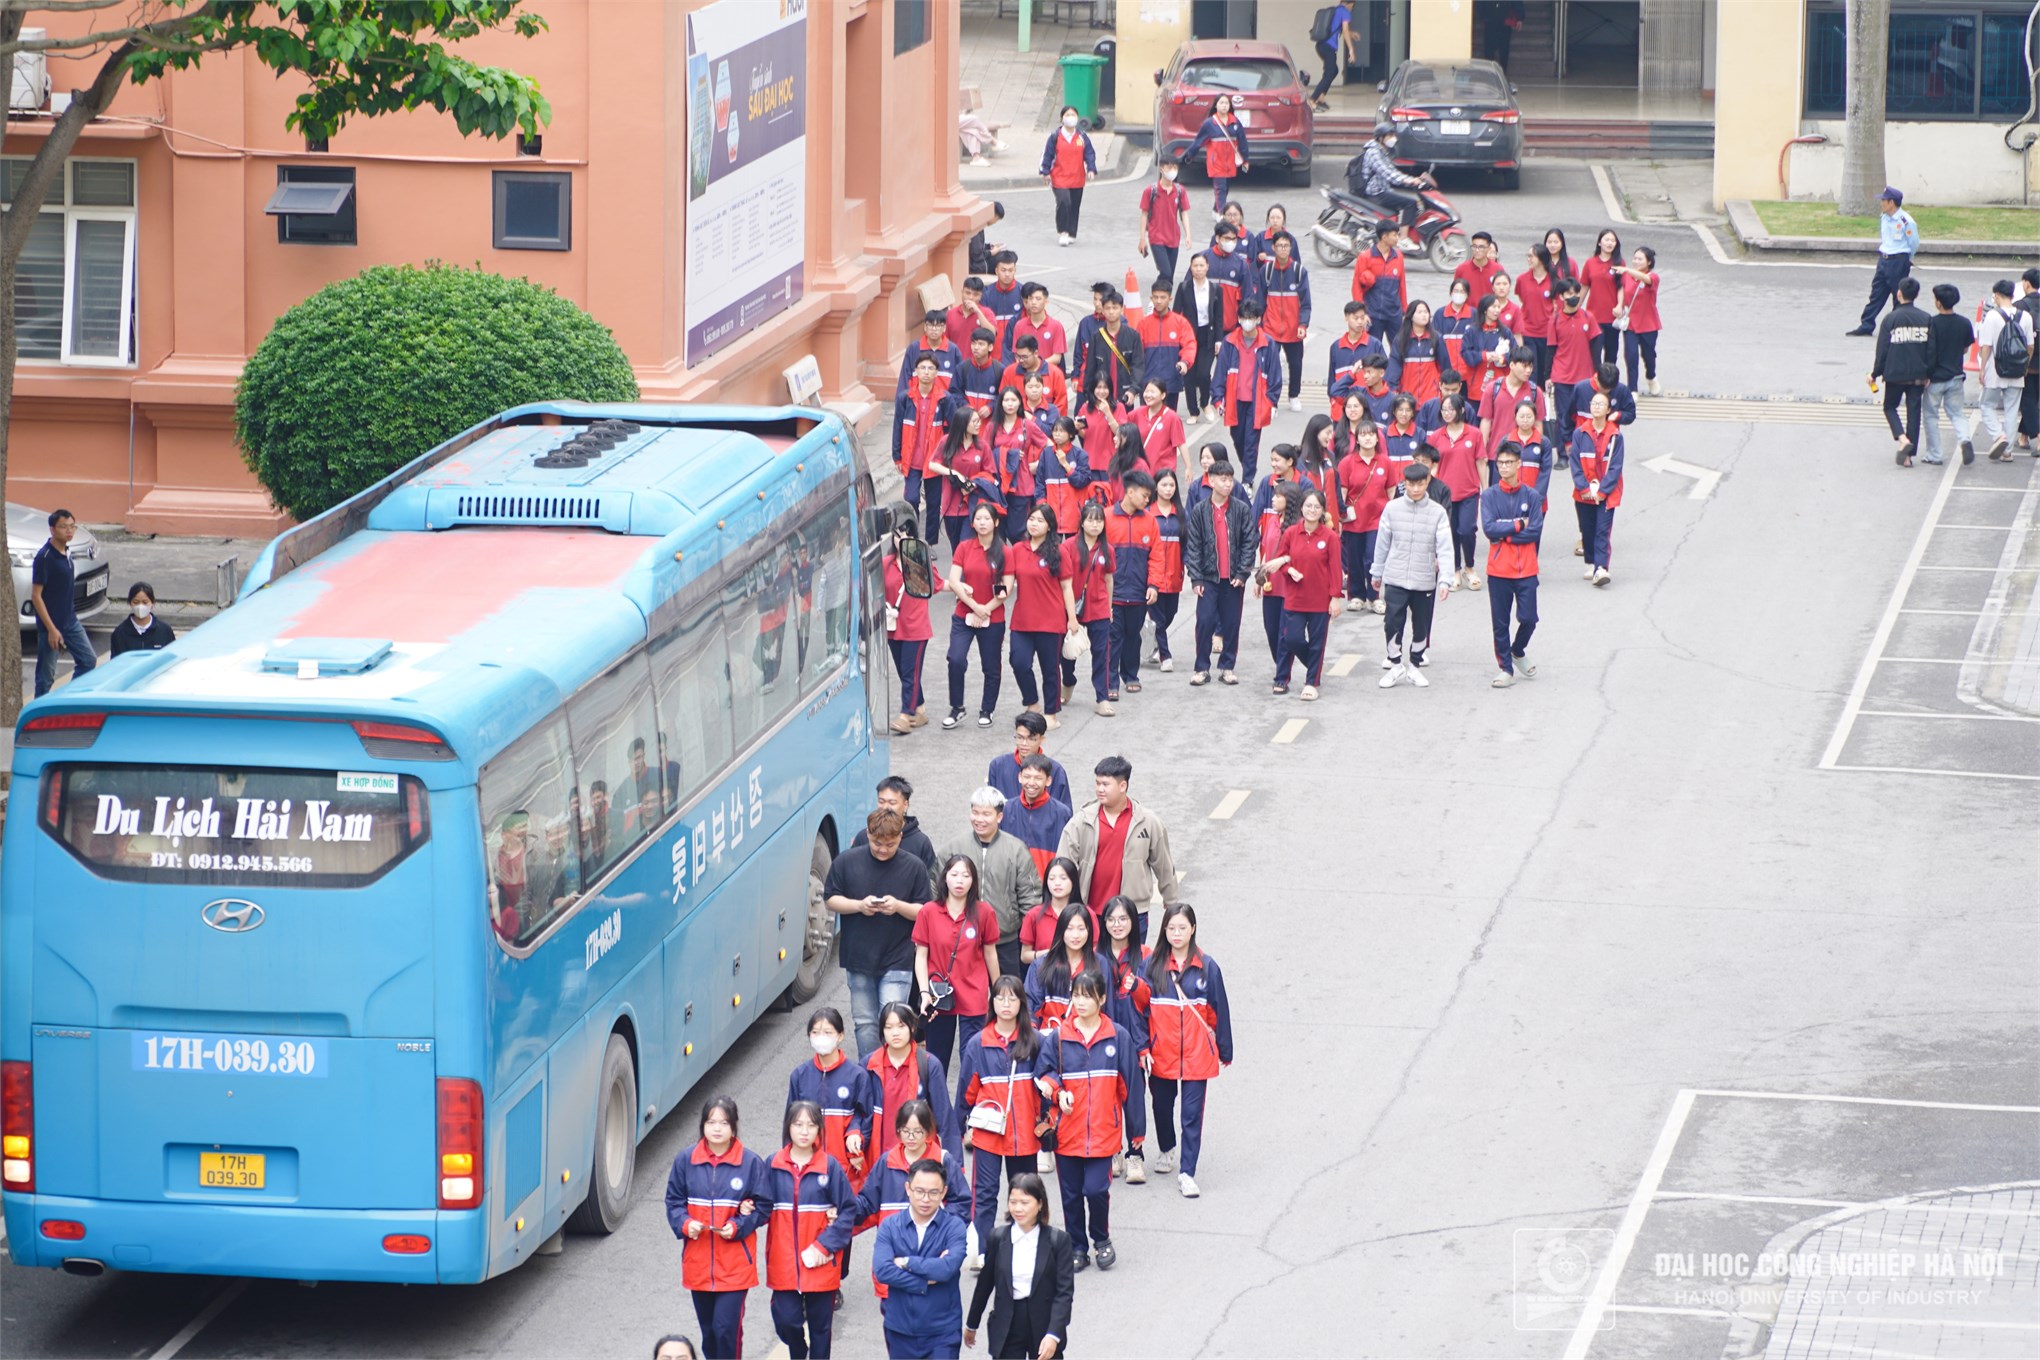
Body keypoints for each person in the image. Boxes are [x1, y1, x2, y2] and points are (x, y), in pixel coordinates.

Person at [1033, 971, 1132, 1270]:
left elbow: (1130, 1087)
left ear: (1102, 999)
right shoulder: (1059, 1037)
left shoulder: (1118, 1036)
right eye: (1076, 995)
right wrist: (1058, 1092)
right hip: (1068, 1131)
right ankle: (1077, 1247)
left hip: (1104, 1131)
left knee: (1096, 1190)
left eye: (1088, 996)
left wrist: (1136, 1135)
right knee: (1071, 1195)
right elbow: (1043, 1073)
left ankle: (1101, 1239)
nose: (1081, 1002)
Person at [665, 1096, 771, 1360]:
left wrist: (738, 1225)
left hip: (735, 1266)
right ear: (703, 1125)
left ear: (733, 1127)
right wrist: (686, 1224)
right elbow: (674, 1202)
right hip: (698, 1263)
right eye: (711, 1122)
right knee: (710, 1334)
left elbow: (764, 1206)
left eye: (724, 1123)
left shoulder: (750, 1163)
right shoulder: (686, 1160)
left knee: (726, 1330)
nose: (717, 1128)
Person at [956, 977, 1046, 1270]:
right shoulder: (978, 1043)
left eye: (1012, 998)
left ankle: (1027, 1246)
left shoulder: (1035, 1041)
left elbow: (1046, 1083)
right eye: (1000, 998)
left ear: (1021, 1003)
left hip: (1025, 1133)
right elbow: (966, 1092)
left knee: (1025, 1194)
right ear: (991, 1002)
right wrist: (958, 1129)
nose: (1006, 1004)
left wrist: (1046, 1120)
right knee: (985, 1195)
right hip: (989, 1133)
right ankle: (984, 1252)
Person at [828, 809, 932, 1060]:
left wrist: (898, 906)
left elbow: (925, 911)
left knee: (894, 1021)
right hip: (858, 957)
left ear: (900, 837)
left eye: (890, 844)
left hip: (898, 957)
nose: (883, 849)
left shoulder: (914, 867)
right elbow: (830, 898)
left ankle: (894, 1072)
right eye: (877, 843)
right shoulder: (846, 861)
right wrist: (859, 906)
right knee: (864, 1023)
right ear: (868, 834)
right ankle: (870, 1072)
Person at [763, 1099, 861, 1360]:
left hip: (821, 1261)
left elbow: (848, 1210)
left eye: (811, 1125)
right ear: (788, 1127)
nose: (804, 1131)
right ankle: (797, 1350)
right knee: (787, 1321)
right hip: (784, 1261)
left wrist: (824, 1245)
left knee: (821, 1330)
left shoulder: (830, 1167)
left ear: (819, 1129)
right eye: (798, 1125)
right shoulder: (773, 1164)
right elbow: (760, 1204)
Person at [1145, 905, 1231, 1199]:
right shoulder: (1152, 966)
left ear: (1193, 929)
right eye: (1171, 928)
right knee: (1161, 1106)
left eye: (1182, 928)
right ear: (1164, 930)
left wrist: (1224, 1049)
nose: (1177, 933)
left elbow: (1219, 1009)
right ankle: (1167, 1146)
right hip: (1162, 1052)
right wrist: (1143, 1047)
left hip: (1196, 1054)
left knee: (1192, 1115)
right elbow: (1142, 1010)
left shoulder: (1207, 967)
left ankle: (1187, 1172)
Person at [1055, 755, 1182, 940]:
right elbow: (1063, 865)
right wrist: (1063, 904)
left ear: (1123, 786)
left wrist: (1171, 901)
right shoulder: (1082, 821)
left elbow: (1164, 865)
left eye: (1105, 784)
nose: (1099, 789)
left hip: (1133, 914)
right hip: (1091, 914)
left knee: (1132, 959)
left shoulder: (1147, 821)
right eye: (1097, 783)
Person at [914, 854, 1004, 1098]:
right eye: (954, 874)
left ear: (973, 880)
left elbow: (991, 955)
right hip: (939, 995)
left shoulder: (984, 912)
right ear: (945, 878)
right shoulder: (929, 911)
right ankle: (934, 1111)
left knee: (972, 1059)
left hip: (973, 994)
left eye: (966, 875)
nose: (960, 880)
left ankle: (967, 1112)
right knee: (936, 1060)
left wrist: (998, 992)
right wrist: (924, 992)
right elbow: (921, 956)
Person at [965, 1174, 1076, 1360]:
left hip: (1043, 1322)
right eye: (1013, 1202)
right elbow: (985, 1284)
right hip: (1008, 1321)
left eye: (1025, 1202)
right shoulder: (997, 1237)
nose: (1018, 1209)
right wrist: (972, 1324)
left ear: (1040, 1204)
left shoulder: (1058, 1240)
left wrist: (1053, 1334)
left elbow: (1064, 1292)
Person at [943, 788, 1041, 988]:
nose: (979, 819)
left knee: (1007, 994)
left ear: (999, 816)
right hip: (960, 940)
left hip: (1005, 942)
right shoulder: (954, 848)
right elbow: (937, 890)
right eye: (975, 812)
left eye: (986, 814)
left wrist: (1026, 935)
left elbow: (1030, 897)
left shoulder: (1016, 849)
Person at [874, 1160, 970, 1358]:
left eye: (933, 1193)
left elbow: (947, 1269)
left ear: (944, 1192)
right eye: (920, 1191)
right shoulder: (890, 1226)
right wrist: (924, 1281)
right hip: (900, 1329)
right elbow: (883, 1271)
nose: (926, 1199)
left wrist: (906, 1262)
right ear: (908, 1189)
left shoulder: (954, 1227)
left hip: (943, 1331)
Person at [1371, 462, 1453, 686]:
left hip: (1424, 579)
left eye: (1420, 484)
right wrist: (1377, 572)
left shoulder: (1437, 512)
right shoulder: (1392, 509)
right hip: (1395, 577)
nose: (1416, 489)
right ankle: (1395, 664)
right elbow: (1382, 543)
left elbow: (1445, 547)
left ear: (1427, 483)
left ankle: (1415, 665)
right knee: (1391, 623)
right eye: (1411, 484)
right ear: (1404, 484)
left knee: (1421, 626)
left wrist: (1445, 579)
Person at [1263, 486, 1341, 699]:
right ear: (1301, 508)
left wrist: (1335, 598)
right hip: (1295, 597)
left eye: (1316, 507)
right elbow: (1281, 560)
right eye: (1308, 506)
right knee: (1292, 638)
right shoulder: (1291, 533)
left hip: (1319, 600)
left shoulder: (1330, 537)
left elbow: (1335, 569)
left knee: (1317, 642)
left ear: (1322, 510)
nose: (1312, 510)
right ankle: (1313, 666)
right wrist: (1290, 570)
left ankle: (1311, 682)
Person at [1182, 453, 1254, 686]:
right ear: (1211, 480)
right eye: (1223, 479)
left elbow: (1249, 542)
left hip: (1233, 578)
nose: (1227, 484)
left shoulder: (1241, 509)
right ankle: (1201, 667)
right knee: (1204, 622)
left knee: (1231, 623)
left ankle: (1227, 666)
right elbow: (1193, 546)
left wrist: (1242, 573)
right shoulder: (1200, 510)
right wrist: (1196, 578)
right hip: (1208, 578)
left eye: (1230, 479)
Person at [788, 1007, 875, 1191]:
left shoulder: (857, 1076)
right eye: (815, 1032)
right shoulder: (800, 1075)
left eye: (828, 1032)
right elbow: (790, 1122)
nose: (821, 1038)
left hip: (846, 1169)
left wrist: (857, 1141)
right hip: (808, 1167)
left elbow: (866, 1117)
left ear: (840, 1035)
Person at [1480, 444, 1545, 688]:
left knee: (1529, 618)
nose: (1504, 467)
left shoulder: (1532, 496)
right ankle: (1505, 668)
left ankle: (1517, 650)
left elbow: (1535, 531)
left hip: (1526, 568)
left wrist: (1505, 534)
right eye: (1500, 463)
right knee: (1500, 623)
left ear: (1519, 464)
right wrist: (1518, 525)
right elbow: (1489, 529)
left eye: (1509, 462)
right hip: (1498, 570)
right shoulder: (1489, 496)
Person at [867, 1003, 962, 1161]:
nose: (895, 1033)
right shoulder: (869, 1065)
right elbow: (859, 1114)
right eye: (888, 1027)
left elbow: (945, 1118)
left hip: (920, 1161)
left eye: (901, 1026)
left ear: (912, 1027)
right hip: (880, 1160)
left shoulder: (929, 1065)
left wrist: (955, 1166)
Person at [944, 504, 1008, 729]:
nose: (982, 522)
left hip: (993, 617)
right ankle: (957, 707)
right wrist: (973, 606)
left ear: (996, 522)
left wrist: (985, 609)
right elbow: (954, 581)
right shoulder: (964, 547)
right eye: (978, 518)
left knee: (991, 666)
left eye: (987, 518)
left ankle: (987, 709)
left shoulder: (1004, 551)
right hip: (964, 614)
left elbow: (1006, 587)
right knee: (956, 659)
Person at [1102, 470, 1163, 698]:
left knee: (1132, 636)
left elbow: (1157, 556)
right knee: (1113, 637)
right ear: (1130, 492)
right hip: (1113, 593)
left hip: (1138, 592)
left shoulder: (1149, 521)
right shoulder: (1106, 518)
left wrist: (1153, 585)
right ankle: (1110, 682)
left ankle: (1130, 675)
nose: (1147, 500)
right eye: (1145, 496)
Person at [1210, 299, 1280, 485]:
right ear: (1239, 319)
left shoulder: (1268, 344)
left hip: (1257, 402)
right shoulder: (1229, 342)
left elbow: (1275, 374)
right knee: (1238, 438)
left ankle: (1247, 480)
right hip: (1235, 401)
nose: (1247, 322)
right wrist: (1217, 399)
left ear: (1258, 319)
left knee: (1251, 443)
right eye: (1244, 318)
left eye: (1251, 318)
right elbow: (1220, 372)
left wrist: (1272, 401)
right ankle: (1248, 467)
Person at [30, 508, 95, 698]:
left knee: (88, 660)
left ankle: (66, 698)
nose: (69, 531)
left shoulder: (67, 552)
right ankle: (40, 709)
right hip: (51, 626)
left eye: (72, 526)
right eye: (63, 527)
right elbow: (36, 596)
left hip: (70, 621)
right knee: (45, 677)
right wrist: (51, 629)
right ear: (52, 529)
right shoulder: (44, 557)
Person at [1060, 501, 1116, 716]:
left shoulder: (1107, 549)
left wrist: (1109, 609)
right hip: (1072, 609)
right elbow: (1063, 582)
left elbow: (1109, 580)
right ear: (1082, 522)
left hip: (1099, 609)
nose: (1095, 525)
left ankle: (1102, 697)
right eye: (1091, 520)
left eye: (1099, 521)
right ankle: (1068, 681)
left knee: (1101, 654)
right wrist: (1070, 617)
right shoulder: (1068, 546)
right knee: (1066, 654)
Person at [1871, 277, 1933, 467]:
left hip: (1895, 374)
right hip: (1918, 374)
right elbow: (1931, 350)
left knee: (1890, 407)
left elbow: (1882, 350)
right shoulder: (1926, 318)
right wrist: (1929, 373)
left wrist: (1875, 373)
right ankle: (1908, 457)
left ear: (1899, 294)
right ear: (1916, 295)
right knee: (1914, 412)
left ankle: (1902, 438)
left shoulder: (1890, 319)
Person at [1427, 394, 1485, 591]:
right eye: (1444, 409)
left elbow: (1480, 461)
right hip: (1444, 494)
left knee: (1467, 530)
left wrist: (1485, 488)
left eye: (1451, 409)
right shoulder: (1436, 436)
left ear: (1461, 410)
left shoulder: (1474, 434)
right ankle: (1455, 570)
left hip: (1469, 490)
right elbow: (1432, 465)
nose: (1447, 413)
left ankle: (1470, 567)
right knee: (1450, 532)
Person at [883, 513, 934, 735]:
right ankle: (919, 710)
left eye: (906, 533)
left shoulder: (919, 561)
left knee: (909, 672)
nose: (901, 538)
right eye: (897, 534)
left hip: (916, 627)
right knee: (905, 671)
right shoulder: (885, 563)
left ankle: (906, 714)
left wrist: (963, 590)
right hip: (893, 626)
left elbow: (938, 584)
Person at [1336, 416, 1392, 610]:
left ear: (1377, 438)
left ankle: (1374, 596)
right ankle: (1357, 595)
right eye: (1363, 435)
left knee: (1372, 558)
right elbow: (1342, 493)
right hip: (1354, 520)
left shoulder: (1385, 462)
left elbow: (1391, 492)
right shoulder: (1347, 463)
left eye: (1371, 435)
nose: (1367, 438)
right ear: (1357, 439)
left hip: (1377, 520)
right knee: (1354, 559)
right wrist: (1340, 518)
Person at [1977, 277, 2037, 461]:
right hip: (2018, 371)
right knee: (2011, 410)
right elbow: (2030, 346)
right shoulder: (2025, 317)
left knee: (1986, 405)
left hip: (1995, 370)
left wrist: (1982, 369)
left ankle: (1998, 436)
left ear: (1996, 295)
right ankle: (2007, 451)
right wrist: (2025, 365)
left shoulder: (1992, 316)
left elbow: (1986, 346)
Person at [1848, 186, 1919, 336]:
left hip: (1898, 260)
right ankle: (1866, 325)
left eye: (1883, 200)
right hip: (1884, 259)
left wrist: (1909, 258)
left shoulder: (1906, 221)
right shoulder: (1884, 218)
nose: (1881, 203)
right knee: (1876, 294)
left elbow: (1913, 242)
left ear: (1891, 203)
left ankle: (1897, 326)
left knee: (1899, 296)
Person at [1571, 390, 1625, 585]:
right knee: (1587, 529)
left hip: (1607, 493)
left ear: (1608, 410)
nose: (1596, 407)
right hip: (1584, 492)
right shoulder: (1580, 433)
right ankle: (1591, 562)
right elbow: (1575, 464)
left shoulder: (1615, 436)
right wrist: (1584, 488)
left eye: (1601, 404)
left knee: (1602, 530)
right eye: (1594, 403)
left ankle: (1601, 568)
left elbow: (1615, 468)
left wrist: (1602, 492)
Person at [1921, 284, 1976, 467]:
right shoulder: (1964, 323)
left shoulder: (1932, 323)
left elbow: (1929, 352)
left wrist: (1926, 375)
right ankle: (1965, 438)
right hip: (1956, 376)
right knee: (1957, 413)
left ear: (1938, 302)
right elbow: (1965, 349)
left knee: (1931, 416)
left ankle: (1934, 454)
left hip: (1935, 378)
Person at [857, 777, 941, 896]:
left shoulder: (920, 842)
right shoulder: (864, 836)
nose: (885, 807)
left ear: (905, 805)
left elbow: (931, 884)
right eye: (881, 801)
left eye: (892, 803)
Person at [1002, 754, 1072, 884]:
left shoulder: (1062, 813)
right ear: (1019, 777)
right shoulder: (1006, 809)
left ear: (1048, 781)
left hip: (1047, 885)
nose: (1031, 783)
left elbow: (1067, 856)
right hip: (1011, 884)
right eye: (1027, 777)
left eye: (1038, 778)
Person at [986, 710, 1075, 808]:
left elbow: (1063, 812)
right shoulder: (998, 766)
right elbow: (990, 807)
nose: (1024, 743)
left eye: (1031, 739)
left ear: (1042, 739)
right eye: (1019, 737)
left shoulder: (1056, 771)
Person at [1146, 468, 1187, 674]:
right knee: (1158, 618)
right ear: (1155, 487)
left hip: (1174, 574)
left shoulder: (1180, 513)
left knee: (1170, 613)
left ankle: (1153, 642)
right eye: (1164, 485)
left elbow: (1186, 544)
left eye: (1172, 485)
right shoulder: (1147, 513)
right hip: (1153, 575)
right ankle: (1165, 655)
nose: (1168, 489)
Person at [1175, 251, 1222, 423]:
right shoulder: (1184, 288)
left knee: (1203, 373)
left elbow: (1219, 317)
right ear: (1191, 267)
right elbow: (1176, 314)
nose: (1199, 269)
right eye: (1195, 266)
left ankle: (1204, 403)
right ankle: (1193, 411)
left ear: (1207, 267)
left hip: (1208, 336)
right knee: (1189, 375)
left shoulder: (1215, 289)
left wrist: (1219, 340)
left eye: (1202, 265)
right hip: (1188, 337)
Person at [1039, 107, 1097, 247]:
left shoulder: (1082, 137)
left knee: (1074, 206)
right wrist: (1045, 172)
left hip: (1077, 178)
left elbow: (1090, 154)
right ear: (1062, 118)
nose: (1070, 117)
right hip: (1059, 177)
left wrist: (1091, 169)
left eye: (1073, 115)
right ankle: (1063, 231)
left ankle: (1071, 232)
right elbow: (1047, 155)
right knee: (1064, 201)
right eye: (1067, 115)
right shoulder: (1055, 137)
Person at [1184, 94, 1249, 216]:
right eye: (1221, 103)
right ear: (1216, 105)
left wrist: (1245, 159)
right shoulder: (1210, 124)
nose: (1224, 106)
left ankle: (1215, 209)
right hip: (1216, 163)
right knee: (1221, 188)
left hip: (1230, 163)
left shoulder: (1235, 122)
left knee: (1226, 188)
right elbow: (1199, 141)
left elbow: (1242, 141)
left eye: (1226, 103)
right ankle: (1221, 214)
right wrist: (1190, 155)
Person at [1356, 121, 1429, 229]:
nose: (1393, 138)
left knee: (1414, 203)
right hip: (1375, 193)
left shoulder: (1382, 151)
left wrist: (1412, 179)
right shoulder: (1373, 152)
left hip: (1382, 190)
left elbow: (1393, 171)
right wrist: (1409, 180)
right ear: (1381, 138)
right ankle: (1404, 237)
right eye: (1390, 135)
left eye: (1393, 135)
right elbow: (1388, 174)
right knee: (1410, 203)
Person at [1547, 283, 1598, 437]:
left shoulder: (1588, 317)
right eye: (1569, 293)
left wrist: (1598, 373)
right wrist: (1547, 376)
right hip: (1562, 377)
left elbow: (1596, 349)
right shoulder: (1555, 320)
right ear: (1561, 297)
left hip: (1585, 377)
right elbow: (1550, 349)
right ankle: (1564, 450)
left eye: (1576, 293)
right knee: (1563, 416)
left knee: (1585, 416)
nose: (1574, 296)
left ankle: (1582, 447)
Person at [1137, 283, 1196, 414]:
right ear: (1151, 298)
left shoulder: (1180, 322)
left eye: (1162, 297)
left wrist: (1185, 362)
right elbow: (1136, 354)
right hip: (1147, 383)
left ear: (1170, 298)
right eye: (1155, 297)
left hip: (1171, 383)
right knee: (1146, 420)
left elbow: (1190, 345)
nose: (1159, 301)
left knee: (1168, 420)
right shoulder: (1143, 324)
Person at [1613, 245, 1662, 396]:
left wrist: (1627, 270)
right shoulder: (1626, 276)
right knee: (1631, 356)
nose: (1636, 261)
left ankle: (1651, 376)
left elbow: (1646, 279)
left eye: (1640, 259)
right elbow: (1622, 290)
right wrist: (1619, 305)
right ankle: (1632, 389)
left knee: (1649, 355)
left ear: (1649, 262)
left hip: (1648, 324)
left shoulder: (1653, 277)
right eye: (1635, 258)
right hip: (1631, 324)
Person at [1327, 301, 1386, 419]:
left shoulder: (1374, 344)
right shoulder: (1336, 347)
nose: (1360, 322)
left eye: (1362, 318)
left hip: (1367, 409)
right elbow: (1332, 380)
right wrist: (1333, 401)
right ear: (1346, 318)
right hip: (1341, 409)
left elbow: (1385, 375)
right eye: (1356, 318)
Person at [1352, 220, 1408, 344]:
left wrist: (1405, 312)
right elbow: (1357, 288)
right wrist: (1362, 314)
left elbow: (1402, 286)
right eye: (1394, 235)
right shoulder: (1365, 258)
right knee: (1373, 350)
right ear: (1384, 237)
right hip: (1373, 315)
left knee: (1399, 349)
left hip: (1394, 314)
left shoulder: (1398, 257)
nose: (1397, 238)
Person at [1137, 156, 1191, 285]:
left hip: (1174, 238)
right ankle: (1158, 294)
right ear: (1161, 168)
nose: (1172, 170)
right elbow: (1144, 214)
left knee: (1169, 276)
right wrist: (1142, 239)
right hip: (1157, 238)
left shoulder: (1180, 191)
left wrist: (1188, 235)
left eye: (1175, 167)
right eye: (1169, 167)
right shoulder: (1151, 191)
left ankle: (1161, 295)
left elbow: (1184, 213)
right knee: (1165, 272)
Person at [1514, 245, 1559, 387]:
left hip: (1547, 333)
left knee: (1544, 374)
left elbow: (1557, 305)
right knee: (1530, 372)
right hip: (1528, 331)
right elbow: (1522, 298)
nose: (1529, 259)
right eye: (1528, 256)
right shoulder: (1522, 279)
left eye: (1531, 256)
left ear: (1541, 258)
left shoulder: (1554, 281)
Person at [1579, 228, 1623, 365]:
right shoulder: (1590, 263)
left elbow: (1621, 287)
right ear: (1599, 243)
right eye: (1607, 240)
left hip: (1612, 317)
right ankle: (1594, 378)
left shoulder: (1619, 263)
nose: (1610, 243)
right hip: (1593, 317)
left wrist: (1620, 305)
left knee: (1611, 355)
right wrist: (1575, 307)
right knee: (1593, 355)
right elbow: (1584, 286)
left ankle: (1609, 378)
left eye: (1613, 240)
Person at [1134, 375, 1187, 483]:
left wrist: (1188, 467)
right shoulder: (1138, 413)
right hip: (1143, 472)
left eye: (1152, 392)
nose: (1148, 395)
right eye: (1146, 391)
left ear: (1163, 395)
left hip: (1163, 474)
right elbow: (1121, 429)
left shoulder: (1172, 417)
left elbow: (1181, 443)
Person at [900, 311, 965, 398]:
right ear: (925, 327)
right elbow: (904, 379)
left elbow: (959, 382)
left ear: (944, 328)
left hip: (944, 402)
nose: (934, 329)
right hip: (917, 401)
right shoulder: (913, 348)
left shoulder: (953, 350)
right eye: (930, 325)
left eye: (938, 326)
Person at [1309, 1, 1356, 109]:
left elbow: (1340, 29)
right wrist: (1351, 50)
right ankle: (1312, 99)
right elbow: (1345, 30)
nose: (1352, 9)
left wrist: (1352, 34)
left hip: (1321, 45)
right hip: (1328, 47)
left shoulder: (1335, 10)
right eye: (1353, 6)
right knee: (1330, 72)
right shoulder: (1345, 12)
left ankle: (1321, 97)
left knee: (1333, 71)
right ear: (1350, 4)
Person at [1011, 285, 1067, 374]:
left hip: (1048, 374)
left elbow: (1057, 357)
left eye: (1038, 299)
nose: (1033, 302)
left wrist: (1037, 366)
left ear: (1046, 301)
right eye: (1030, 298)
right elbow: (1017, 355)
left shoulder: (1056, 326)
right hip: (1026, 375)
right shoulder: (1019, 325)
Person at [109, 581, 175, 656]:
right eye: (136, 602)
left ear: (152, 602)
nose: (140, 606)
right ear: (130, 603)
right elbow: (117, 661)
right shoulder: (120, 633)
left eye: (145, 602)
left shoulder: (164, 630)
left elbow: (172, 657)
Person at [2019, 268, 2040, 451]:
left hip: (2027, 361)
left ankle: (2038, 435)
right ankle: (2023, 437)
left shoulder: (2019, 307)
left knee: (2027, 400)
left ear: (2026, 283)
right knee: (2033, 398)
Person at [1454, 230, 1505, 299]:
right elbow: (1456, 294)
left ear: (1488, 248)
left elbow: (1501, 295)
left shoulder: (1498, 269)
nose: (1477, 250)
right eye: (1474, 246)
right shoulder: (1461, 269)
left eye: (1481, 247)